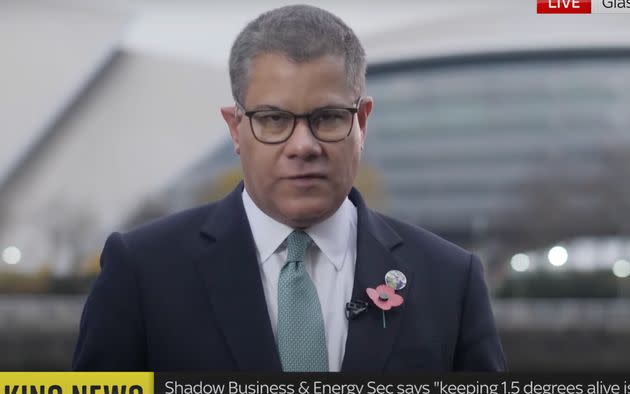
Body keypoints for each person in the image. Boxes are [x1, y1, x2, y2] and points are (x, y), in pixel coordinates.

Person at [73, 4, 506, 372]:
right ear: (235, 128)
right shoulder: (143, 272)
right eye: (274, 120)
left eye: (329, 117)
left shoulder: (450, 280)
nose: (304, 146)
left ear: (362, 122)